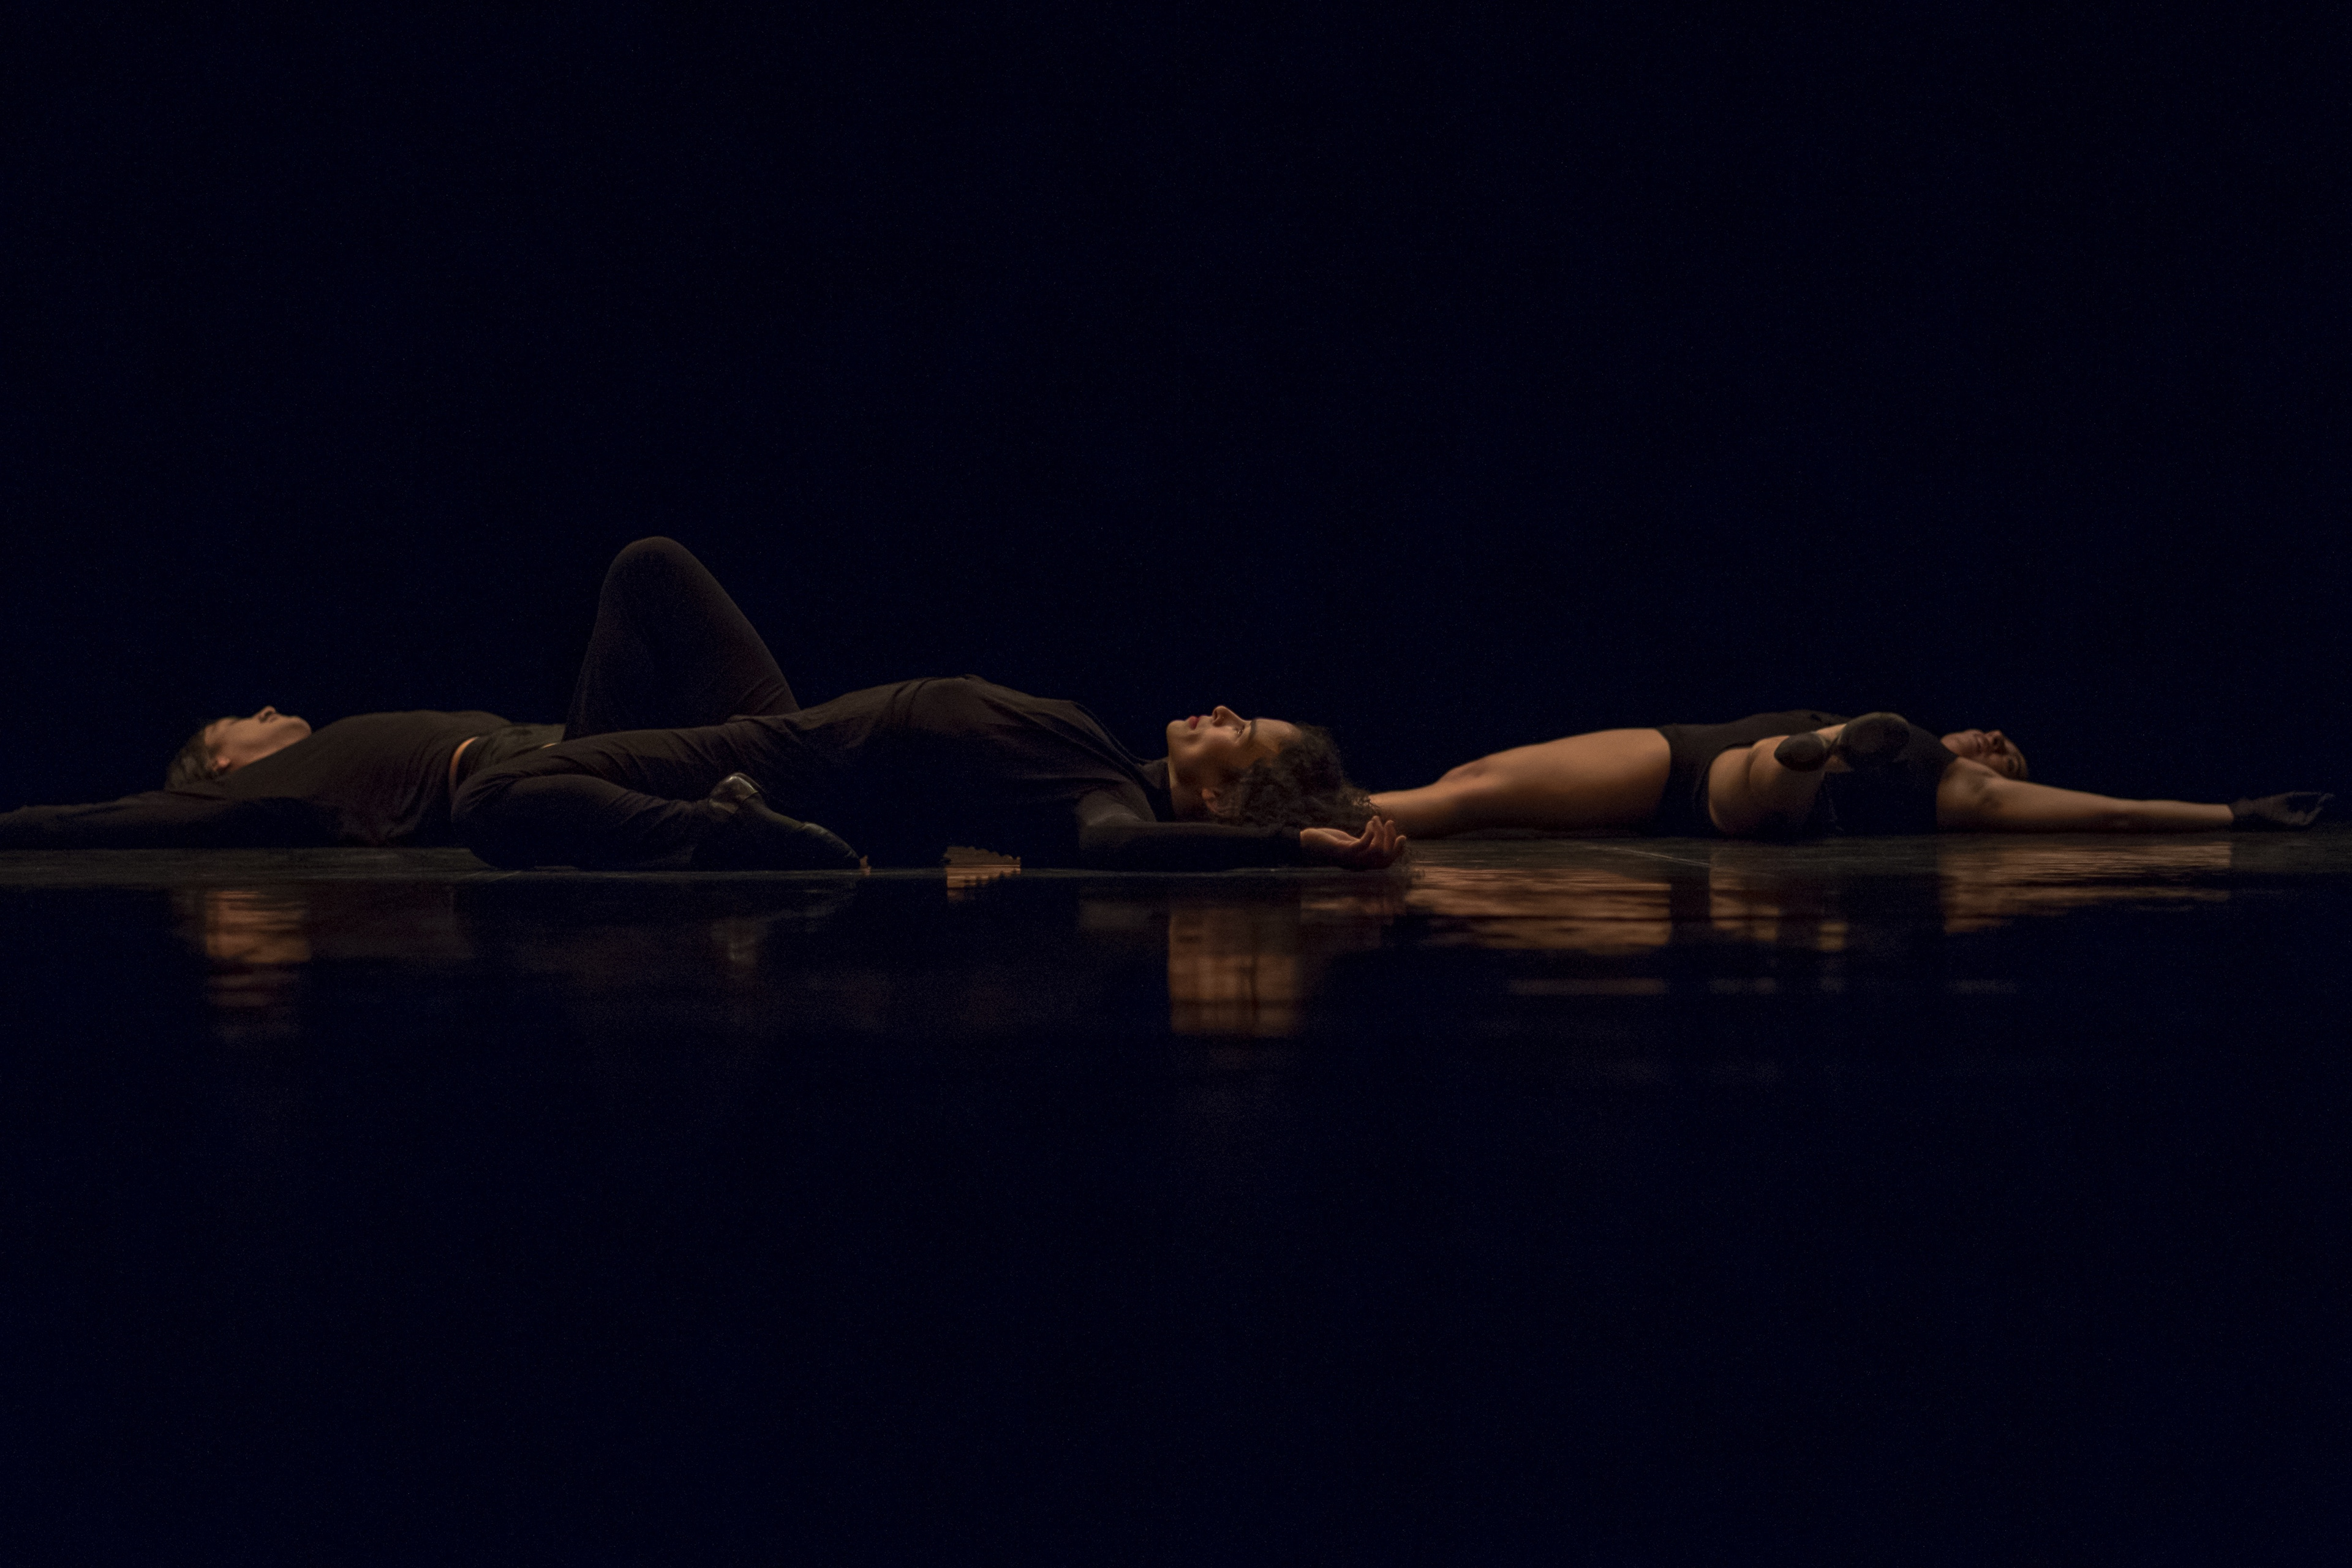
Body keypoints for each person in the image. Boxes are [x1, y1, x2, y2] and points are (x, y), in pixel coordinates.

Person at [1, 540, 1406, 871]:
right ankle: (684, 796)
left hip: (742, 764)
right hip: (752, 744)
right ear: (220, 766)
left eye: (1243, 734)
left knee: (502, 792)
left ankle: (720, 828)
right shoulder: (260, 787)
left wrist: (1290, 848)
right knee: (650, 570)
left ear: (1221, 791)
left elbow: (1120, 849)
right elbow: (139, 813)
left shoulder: (1100, 789)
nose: (1222, 710)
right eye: (230, 731)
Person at [1368, 710, 2329, 840]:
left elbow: (2112, 813)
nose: (1996, 739)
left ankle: (1815, 757)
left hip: (1752, 788)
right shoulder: (1917, 741)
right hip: (1683, 749)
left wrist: (2231, 814)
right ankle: (1324, 805)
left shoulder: (1956, 785)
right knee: (1473, 783)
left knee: (1758, 777)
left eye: (2008, 748)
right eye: (1995, 733)